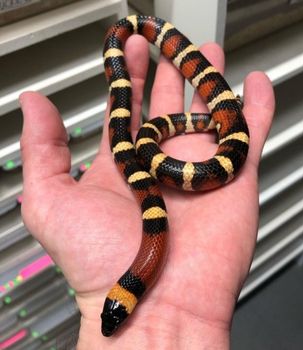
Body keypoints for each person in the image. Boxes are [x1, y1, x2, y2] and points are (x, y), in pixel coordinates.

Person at [19, 35, 275, 349]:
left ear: (119, 290)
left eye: (114, 316)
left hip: (188, 149)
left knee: (141, 124)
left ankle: (130, 34)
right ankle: (162, 111)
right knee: (138, 129)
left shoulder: (144, 262)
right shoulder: (147, 258)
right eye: (118, 318)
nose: (113, 324)